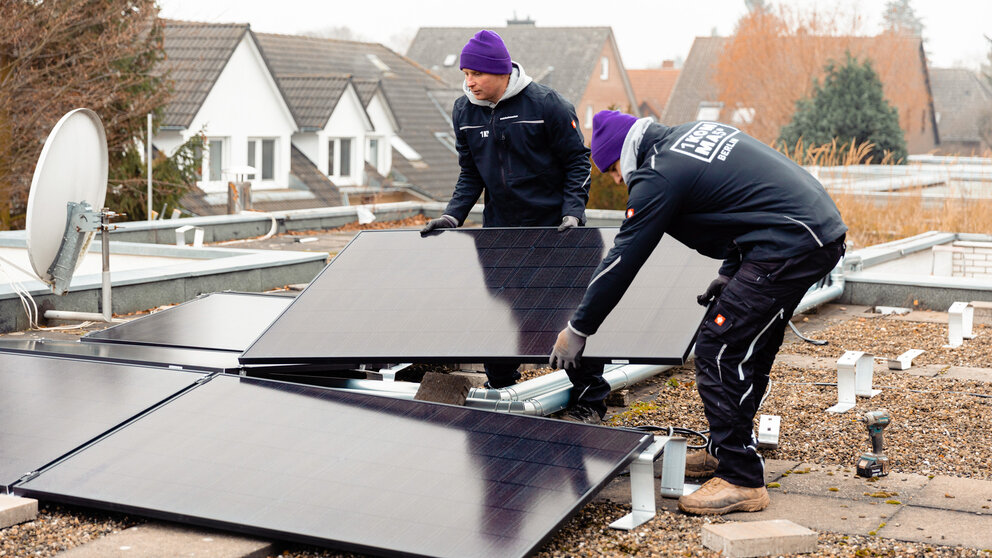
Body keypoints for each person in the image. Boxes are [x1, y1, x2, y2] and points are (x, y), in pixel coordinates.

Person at [550, 110, 847, 514]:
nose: (617, 181)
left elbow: (624, 257)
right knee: (749, 345)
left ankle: (741, 478)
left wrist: (579, 328)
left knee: (718, 348)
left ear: (625, 153)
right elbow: (741, 204)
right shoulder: (691, 134)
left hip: (789, 245)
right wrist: (729, 273)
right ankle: (725, 451)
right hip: (810, 233)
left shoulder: (657, 173)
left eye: (614, 169)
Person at [421, 30, 607, 422]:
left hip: (555, 230)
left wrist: (573, 211)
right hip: (501, 232)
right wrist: (453, 215)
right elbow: (470, 172)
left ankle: (591, 400)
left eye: (476, 74)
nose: (469, 82)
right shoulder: (464, 111)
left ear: (502, 72)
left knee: (567, 313)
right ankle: (502, 391)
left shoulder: (547, 105)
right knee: (497, 312)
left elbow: (578, 161)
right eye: (465, 74)